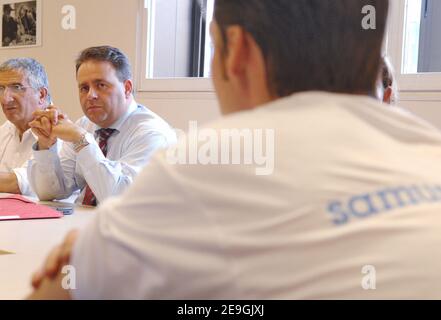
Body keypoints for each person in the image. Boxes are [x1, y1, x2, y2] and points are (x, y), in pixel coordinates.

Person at [30, 0, 441, 299]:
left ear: (237, 52)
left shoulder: (213, 160)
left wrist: (97, 250)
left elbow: (55, 291)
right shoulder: (428, 148)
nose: (90, 96)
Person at [27, 46, 176, 206]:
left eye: (101, 85)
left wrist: (82, 140)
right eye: (84, 88)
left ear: (127, 88)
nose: (91, 95)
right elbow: (50, 193)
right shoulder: (84, 124)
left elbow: (120, 200)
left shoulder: (152, 134)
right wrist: (45, 145)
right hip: (85, 222)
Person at [0, 58, 52, 195]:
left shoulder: (58, 131)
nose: (5, 99)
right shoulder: (6, 129)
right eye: (1, 88)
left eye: (16, 88)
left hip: (51, 215)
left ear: (41, 94)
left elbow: (19, 184)